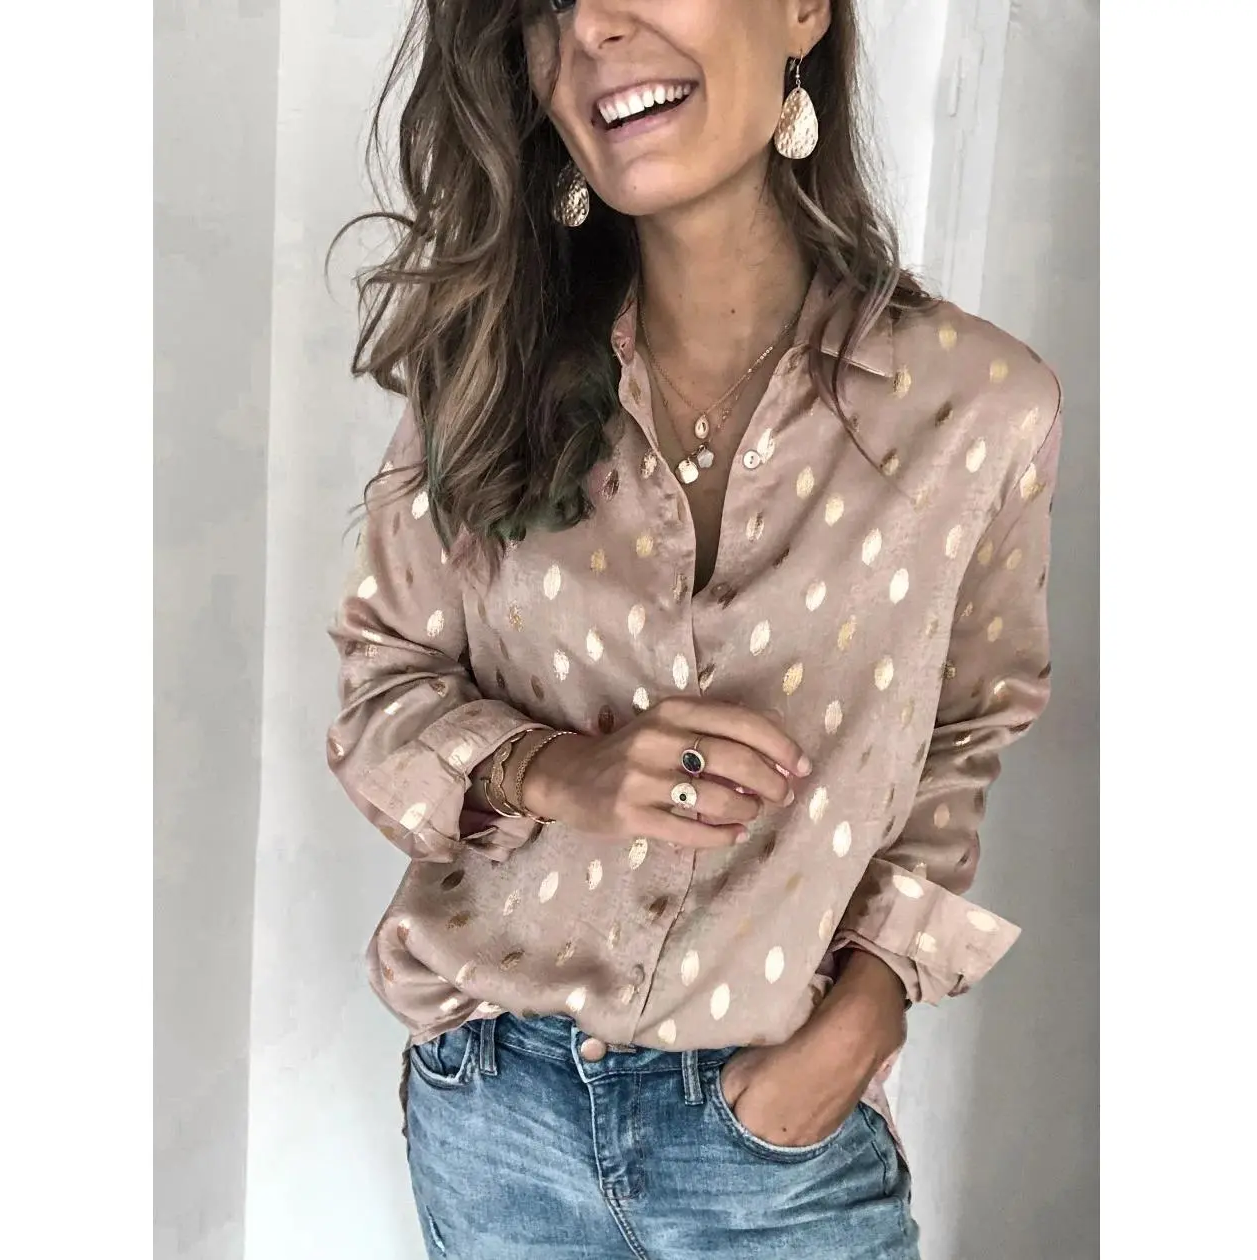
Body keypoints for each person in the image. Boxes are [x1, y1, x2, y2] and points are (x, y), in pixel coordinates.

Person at [326, 1, 1062, 1256]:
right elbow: (380, 692)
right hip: (495, 1113)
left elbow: (967, 731)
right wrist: (555, 770)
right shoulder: (485, 375)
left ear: (802, 11)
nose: (593, 28)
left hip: (775, 1140)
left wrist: (871, 1002)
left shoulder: (979, 406)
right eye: (548, 5)